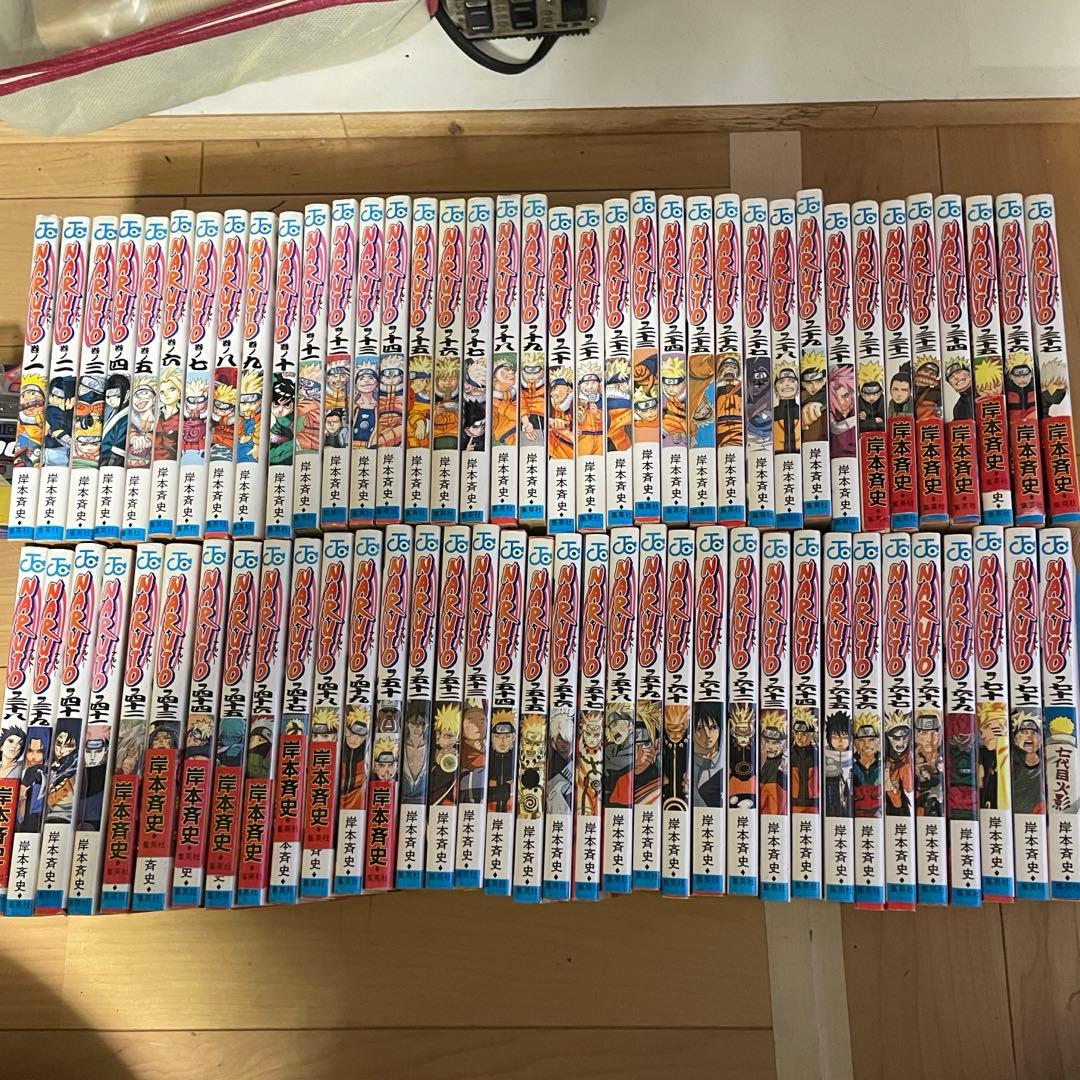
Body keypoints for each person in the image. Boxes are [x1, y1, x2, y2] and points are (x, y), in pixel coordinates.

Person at [692, 707, 724, 807]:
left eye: (713, 727)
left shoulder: (726, 761)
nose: (707, 734)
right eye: (699, 728)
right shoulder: (690, 763)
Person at [913, 709, 943, 817]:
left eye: (935, 733)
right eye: (924, 733)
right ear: (916, 734)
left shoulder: (943, 756)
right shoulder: (912, 758)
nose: (929, 739)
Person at [790, 708, 819, 812]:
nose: (799, 737)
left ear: (812, 735)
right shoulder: (789, 755)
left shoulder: (816, 756)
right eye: (796, 733)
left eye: (804, 734)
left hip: (813, 804)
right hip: (792, 803)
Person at [486, 717, 516, 813]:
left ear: (513, 738)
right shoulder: (486, 759)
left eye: (507, 736)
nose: (502, 741)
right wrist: (506, 789)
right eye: (498, 737)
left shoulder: (516, 760)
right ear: (492, 738)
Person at [824, 712, 852, 817]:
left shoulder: (854, 758)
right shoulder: (824, 758)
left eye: (844, 737)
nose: (840, 741)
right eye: (835, 737)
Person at [799, 353, 828, 443]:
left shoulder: (827, 394)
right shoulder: (799, 395)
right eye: (809, 383)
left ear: (824, 380)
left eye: (818, 381)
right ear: (803, 384)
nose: (814, 387)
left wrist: (821, 403)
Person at [772, 365, 801, 454]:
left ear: (798, 386)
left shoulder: (801, 411)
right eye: (781, 381)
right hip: (777, 454)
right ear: (775, 387)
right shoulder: (772, 413)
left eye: (792, 381)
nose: (787, 384)